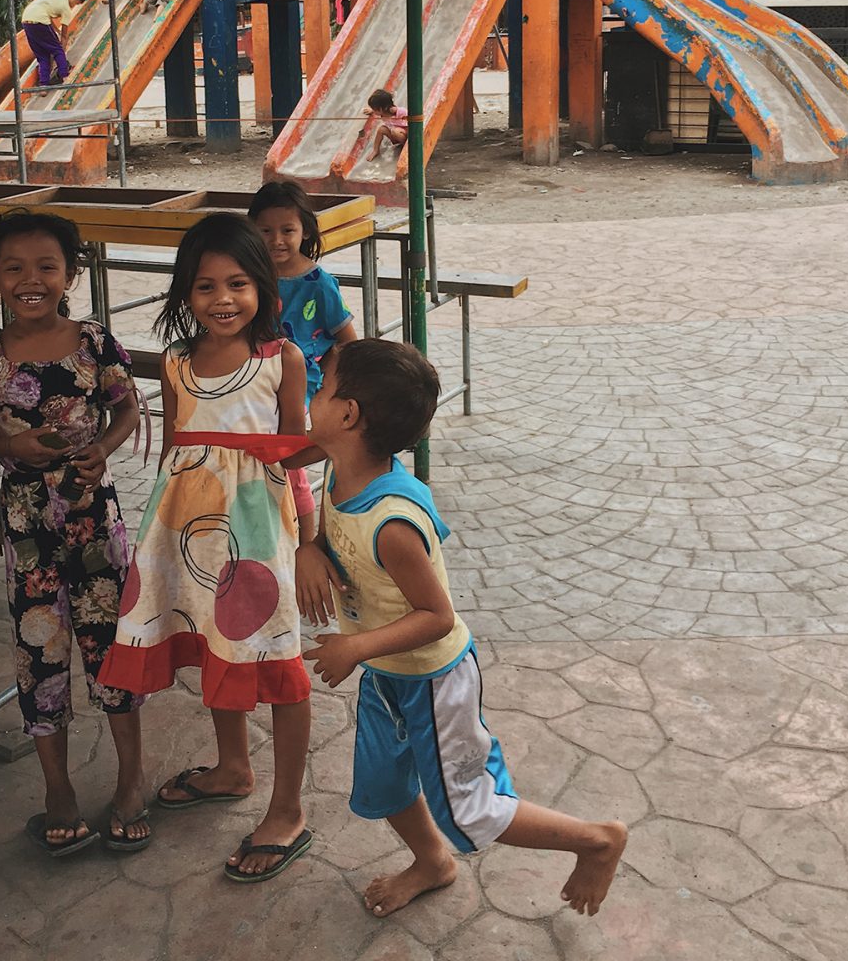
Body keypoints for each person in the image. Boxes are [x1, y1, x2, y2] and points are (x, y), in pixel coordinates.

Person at [297, 340, 629, 918]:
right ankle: (433, 862)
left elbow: (436, 616)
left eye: (320, 388)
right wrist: (310, 548)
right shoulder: (339, 466)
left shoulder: (393, 520)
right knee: (383, 784)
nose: (310, 397)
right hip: (386, 672)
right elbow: (281, 458)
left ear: (348, 415)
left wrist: (354, 646)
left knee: (469, 807)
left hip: (433, 679)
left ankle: (597, 840)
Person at [98, 214, 316, 884]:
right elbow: (175, 450)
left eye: (239, 284)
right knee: (216, 647)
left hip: (259, 539)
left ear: (263, 289)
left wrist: (311, 541)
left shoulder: (281, 360)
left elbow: (297, 452)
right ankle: (232, 768)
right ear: (183, 294)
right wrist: (157, 541)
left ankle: (288, 808)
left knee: (277, 664)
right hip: (185, 531)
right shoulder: (175, 362)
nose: (222, 299)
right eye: (205, 286)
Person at [0, 211, 149, 857]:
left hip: (97, 527)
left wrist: (104, 450)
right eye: (14, 268)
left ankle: (130, 781)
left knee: (112, 652)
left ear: (71, 274)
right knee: (40, 658)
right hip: (27, 533)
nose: (30, 280)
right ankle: (57, 790)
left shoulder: (95, 343)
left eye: (46, 267)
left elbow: (127, 407)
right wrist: (9, 443)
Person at [248, 181, 357, 544]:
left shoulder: (318, 282)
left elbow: (348, 340)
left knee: (288, 462)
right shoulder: (250, 275)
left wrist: (331, 382)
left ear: (305, 231)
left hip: (301, 386)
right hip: (254, 379)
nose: (276, 239)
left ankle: (306, 541)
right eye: (266, 230)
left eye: (287, 230)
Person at [21, 0, 86, 87]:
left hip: (26, 20)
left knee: (42, 56)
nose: (73, 6)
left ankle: (43, 85)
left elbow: (49, 18)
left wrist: (56, 31)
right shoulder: (66, 8)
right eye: (76, 3)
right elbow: (64, 36)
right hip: (40, 21)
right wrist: (62, 53)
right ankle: (64, 75)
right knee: (57, 49)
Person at [364, 88, 408, 162]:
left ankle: (405, 146)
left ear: (381, 109)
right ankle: (375, 150)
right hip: (395, 136)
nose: (374, 111)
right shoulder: (383, 112)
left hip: (406, 135)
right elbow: (379, 111)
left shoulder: (401, 112)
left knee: (395, 131)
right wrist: (371, 111)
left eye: (374, 109)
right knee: (381, 129)